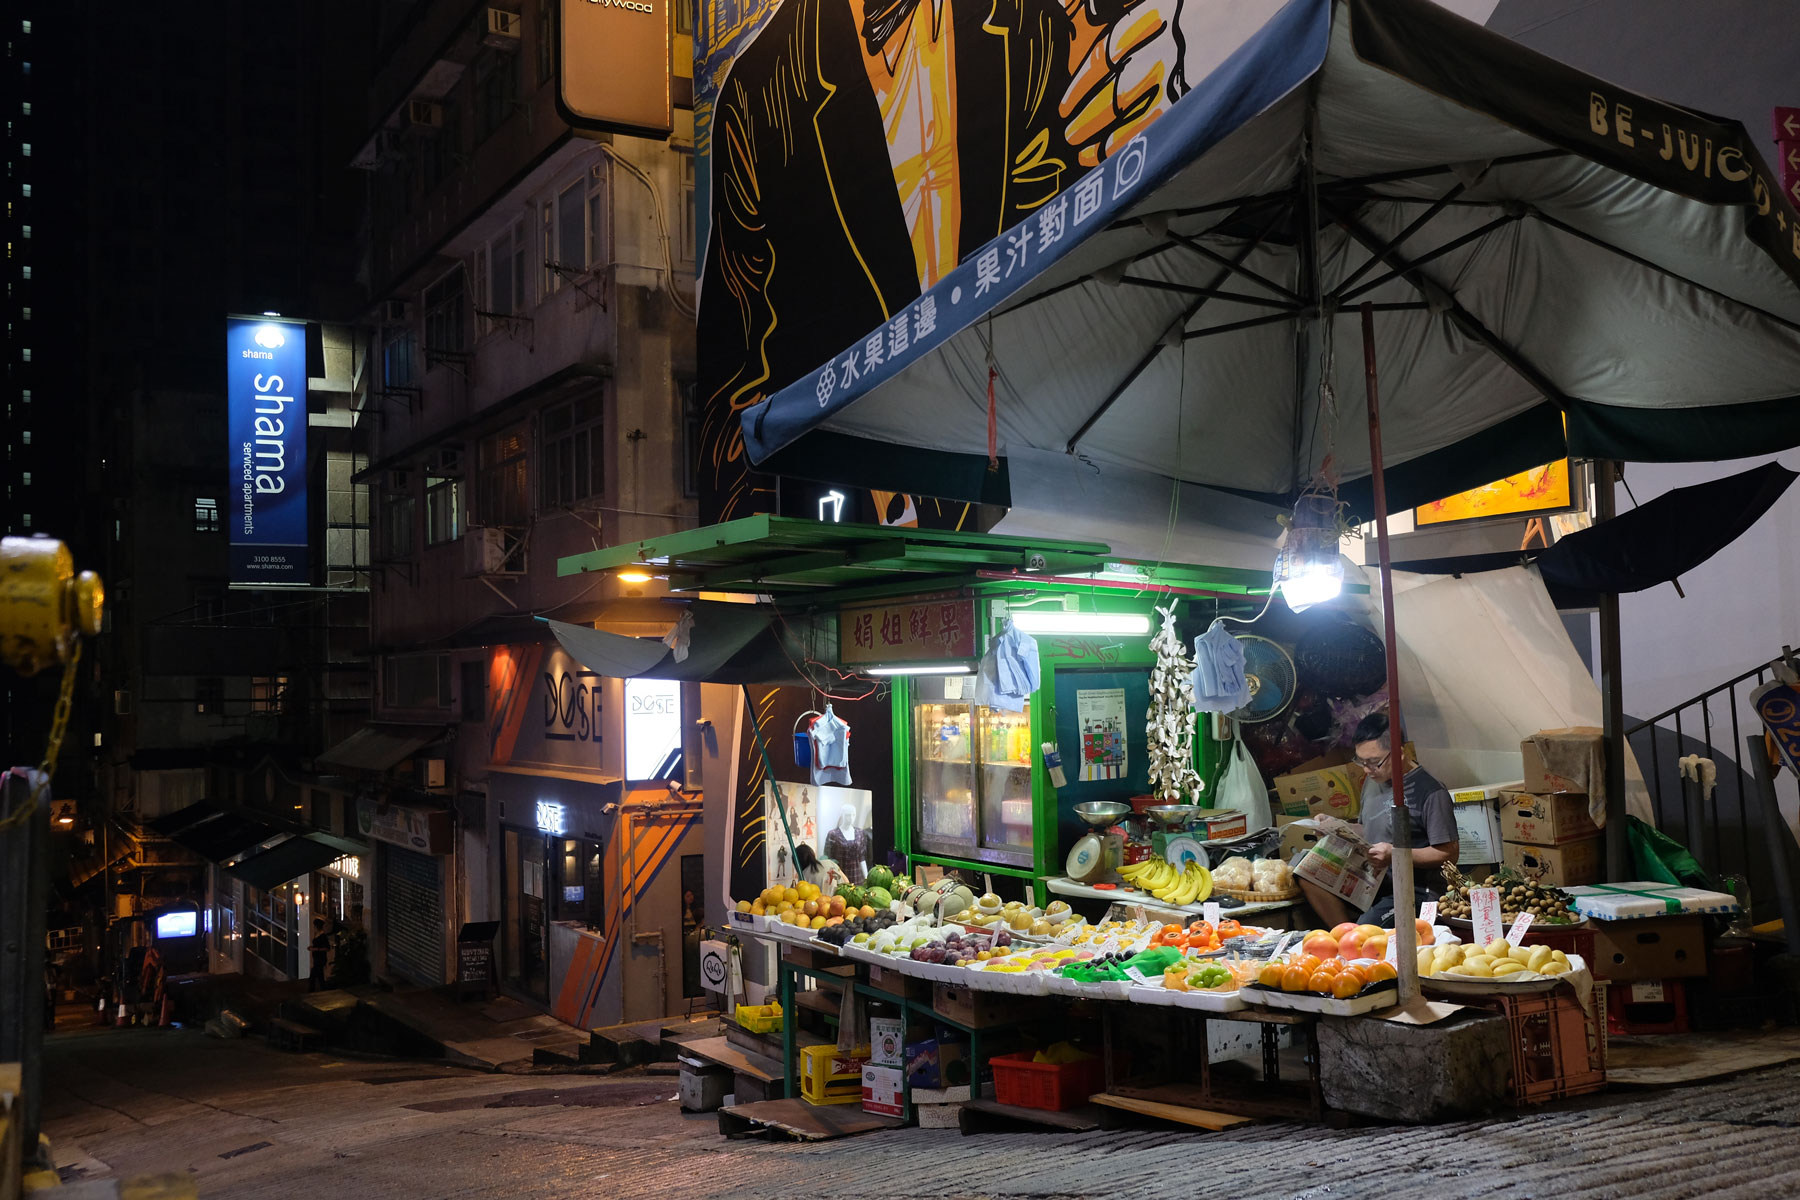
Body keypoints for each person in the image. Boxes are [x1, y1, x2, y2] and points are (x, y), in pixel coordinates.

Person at [1299, 712, 1459, 931]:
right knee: (1307, 873)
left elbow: (1448, 853)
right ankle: (1351, 938)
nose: (1366, 769)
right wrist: (1335, 827)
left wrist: (1395, 854)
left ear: (1399, 753)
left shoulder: (1430, 791)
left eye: (1374, 762)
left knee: (1367, 927)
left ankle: (1359, 938)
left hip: (1414, 891)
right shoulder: (1373, 781)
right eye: (1361, 761)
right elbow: (1370, 829)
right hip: (1373, 881)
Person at [824, 804, 871, 885]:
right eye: (848, 815)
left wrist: (867, 877)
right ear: (842, 815)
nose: (851, 818)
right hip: (840, 876)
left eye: (853, 815)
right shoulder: (833, 834)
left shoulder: (860, 833)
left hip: (858, 877)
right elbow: (828, 859)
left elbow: (862, 858)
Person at [308, 918, 332, 992]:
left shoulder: (322, 936)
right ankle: (323, 989)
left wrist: (315, 949)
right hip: (317, 959)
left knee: (313, 976)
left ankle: (313, 991)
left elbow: (327, 948)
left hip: (320, 959)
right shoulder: (317, 935)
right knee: (320, 976)